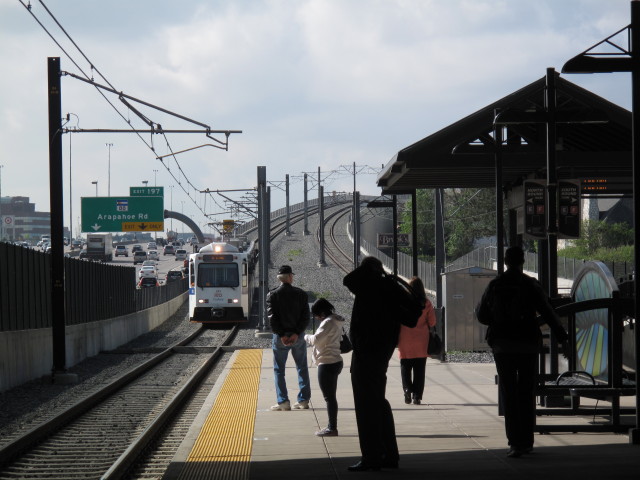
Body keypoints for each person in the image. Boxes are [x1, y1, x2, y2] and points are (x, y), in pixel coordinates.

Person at [476, 245, 569, 458]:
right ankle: (527, 441)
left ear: (506, 261)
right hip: (527, 344)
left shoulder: (495, 285)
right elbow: (548, 312)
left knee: (509, 392)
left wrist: (499, 321)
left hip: (502, 345)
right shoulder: (530, 285)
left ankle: (514, 443)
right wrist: (564, 339)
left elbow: (482, 315)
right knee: (526, 392)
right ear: (522, 261)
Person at [343, 256, 406, 472]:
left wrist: (368, 268)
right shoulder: (389, 287)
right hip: (382, 351)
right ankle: (389, 454)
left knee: (366, 406)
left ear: (366, 272)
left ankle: (372, 457)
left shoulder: (370, 287)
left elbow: (348, 279)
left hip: (367, 352)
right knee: (379, 402)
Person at [266, 265, 311, 411]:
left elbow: (272, 318)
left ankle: (283, 402)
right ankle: (303, 400)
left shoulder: (272, 295)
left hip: (280, 337)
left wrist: (281, 335)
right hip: (298, 336)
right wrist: (297, 333)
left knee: (279, 369)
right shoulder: (301, 294)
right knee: (302, 367)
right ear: (290, 277)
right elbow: (305, 317)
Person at [304, 298, 345, 436]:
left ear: (321, 312)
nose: (316, 318)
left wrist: (305, 337)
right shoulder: (336, 320)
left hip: (327, 362)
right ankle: (332, 426)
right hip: (335, 360)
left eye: (316, 315)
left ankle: (331, 428)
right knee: (331, 396)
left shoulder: (328, 322)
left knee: (329, 398)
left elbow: (316, 340)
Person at [397, 276, 436, 405]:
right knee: (420, 370)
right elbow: (432, 322)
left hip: (404, 338)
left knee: (405, 366)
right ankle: (417, 396)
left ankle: (407, 389)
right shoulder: (426, 303)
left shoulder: (402, 301)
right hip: (421, 340)